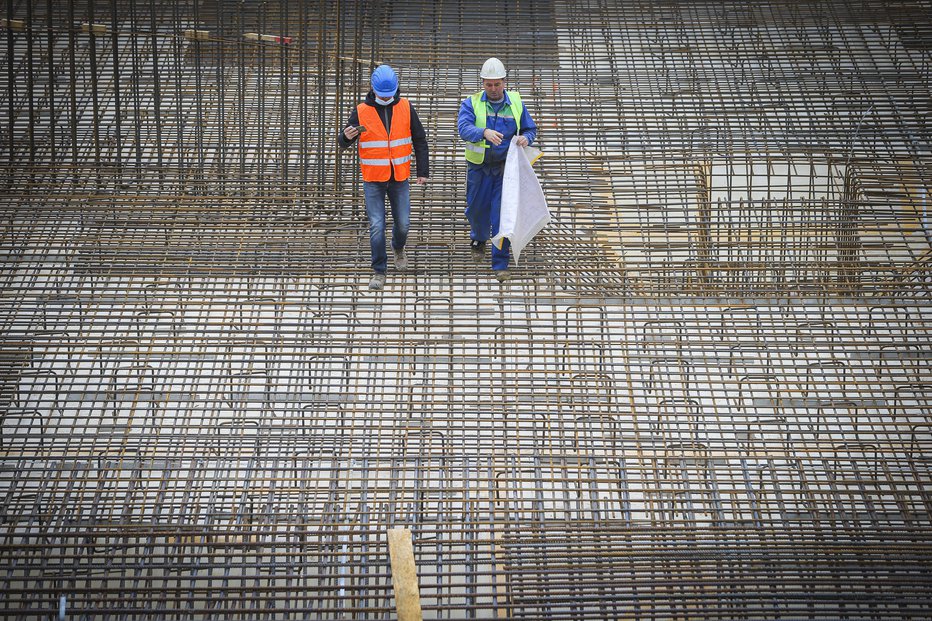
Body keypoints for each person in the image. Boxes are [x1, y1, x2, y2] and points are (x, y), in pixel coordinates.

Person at [339, 64, 429, 290]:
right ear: (373, 89)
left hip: (399, 176)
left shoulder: (406, 107)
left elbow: (420, 140)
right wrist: (345, 137)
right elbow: (343, 142)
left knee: (404, 224)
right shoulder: (361, 111)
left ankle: (398, 247)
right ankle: (379, 271)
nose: (386, 99)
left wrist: (422, 171)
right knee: (377, 225)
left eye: (390, 95)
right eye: (382, 95)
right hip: (373, 178)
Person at [456, 57, 537, 282]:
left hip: (505, 170)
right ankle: (479, 238)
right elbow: (463, 128)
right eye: (488, 84)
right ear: (482, 83)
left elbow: (531, 129)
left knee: (502, 216)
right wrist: (483, 133)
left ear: (504, 82)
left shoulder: (517, 103)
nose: (493, 89)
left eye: (497, 84)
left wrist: (525, 138)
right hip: (479, 168)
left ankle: (500, 263)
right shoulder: (471, 103)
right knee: (476, 210)